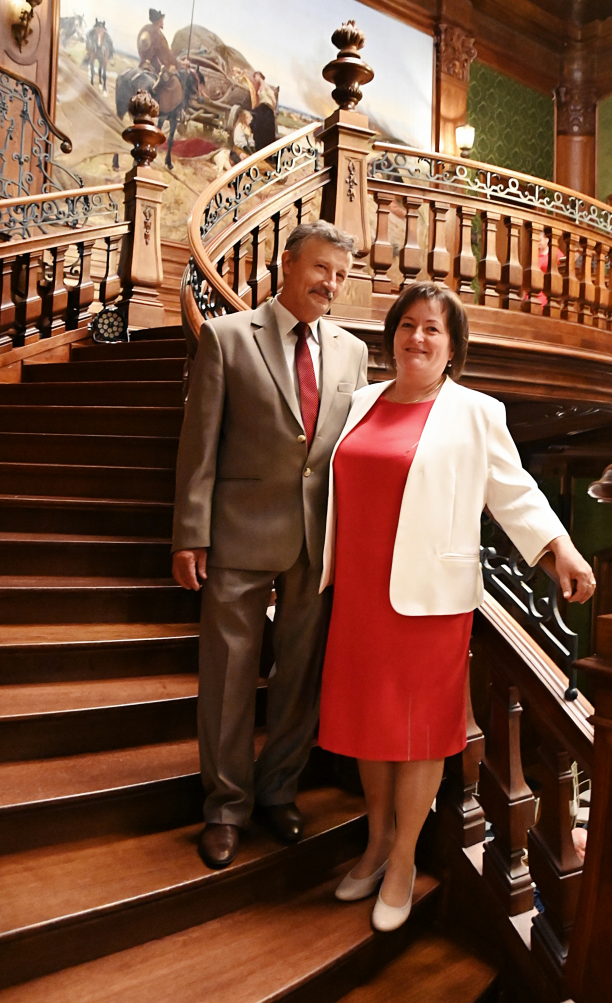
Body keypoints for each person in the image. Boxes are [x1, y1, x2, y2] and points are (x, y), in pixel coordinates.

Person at [317, 281, 595, 931]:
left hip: (431, 603)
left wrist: (560, 548)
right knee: (368, 725)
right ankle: (377, 842)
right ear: (392, 334)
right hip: (359, 593)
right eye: (407, 324)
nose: (417, 337)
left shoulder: (475, 412)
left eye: (432, 329)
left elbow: (515, 492)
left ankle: (403, 860)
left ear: (452, 347)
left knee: (418, 735)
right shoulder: (359, 402)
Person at [172, 220, 368, 869]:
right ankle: (226, 807)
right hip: (237, 535)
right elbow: (199, 445)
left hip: (318, 542)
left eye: (340, 275)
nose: (330, 284)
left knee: (299, 678)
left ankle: (279, 789)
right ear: (288, 264)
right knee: (228, 677)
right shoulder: (227, 338)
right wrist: (190, 534)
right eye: (321, 269)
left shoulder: (353, 352)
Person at [137, 9, 178, 74]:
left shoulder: (145, 29)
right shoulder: (157, 34)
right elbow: (166, 53)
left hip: (142, 64)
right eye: (162, 21)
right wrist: (176, 63)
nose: (163, 23)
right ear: (159, 21)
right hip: (155, 68)